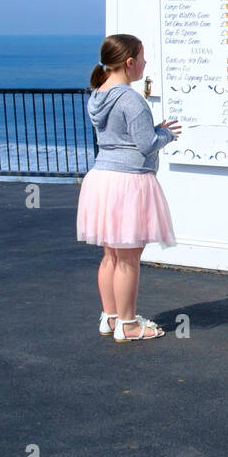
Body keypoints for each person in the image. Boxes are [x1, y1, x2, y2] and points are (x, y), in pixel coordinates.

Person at [76, 34, 182, 342]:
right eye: (143, 58)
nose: (146, 64)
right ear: (130, 62)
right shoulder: (130, 98)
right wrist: (166, 134)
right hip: (129, 181)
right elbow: (146, 144)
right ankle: (129, 324)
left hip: (101, 178)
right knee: (128, 257)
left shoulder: (97, 94)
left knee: (111, 254)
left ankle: (110, 318)